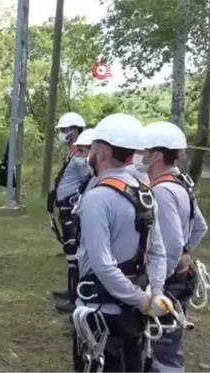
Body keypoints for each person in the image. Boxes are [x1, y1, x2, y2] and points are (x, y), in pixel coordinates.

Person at [73, 113, 169, 373]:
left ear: (102, 152)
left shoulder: (98, 197)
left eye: (92, 149)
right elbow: (158, 251)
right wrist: (155, 294)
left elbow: (102, 265)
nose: (88, 155)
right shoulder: (145, 192)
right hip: (132, 314)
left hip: (101, 314)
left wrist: (142, 300)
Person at [139, 121, 207, 373]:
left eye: (143, 151)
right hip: (179, 276)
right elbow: (199, 227)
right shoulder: (180, 184)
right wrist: (184, 255)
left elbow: (172, 243)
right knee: (167, 340)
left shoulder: (161, 191)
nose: (139, 156)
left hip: (168, 281)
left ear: (156, 155)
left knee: (163, 347)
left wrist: (156, 284)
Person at [46, 112, 88, 314]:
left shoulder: (81, 158)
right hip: (66, 208)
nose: (62, 134)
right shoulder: (74, 153)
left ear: (76, 131)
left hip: (73, 211)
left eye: (65, 130)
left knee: (74, 256)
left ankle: (76, 298)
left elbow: (89, 182)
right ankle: (72, 291)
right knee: (70, 255)